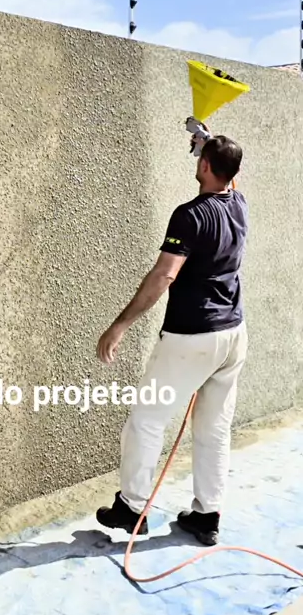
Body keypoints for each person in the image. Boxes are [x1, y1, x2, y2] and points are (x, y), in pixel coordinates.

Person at [95, 132, 248, 546]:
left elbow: (165, 274)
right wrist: (208, 143)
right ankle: (207, 516)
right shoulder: (239, 204)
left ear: (204, 166)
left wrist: (120, 325)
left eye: (202, 158)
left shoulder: (189, 216)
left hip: (191, 338)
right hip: (233, 336)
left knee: (146, 420)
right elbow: (229, 176)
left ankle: (131, 509)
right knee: (214, 429)